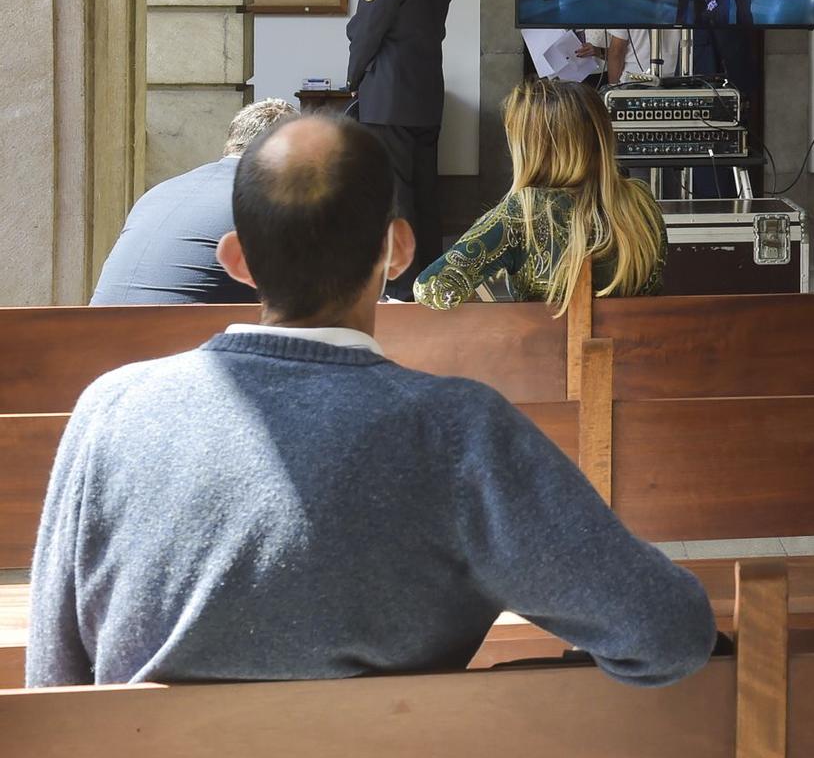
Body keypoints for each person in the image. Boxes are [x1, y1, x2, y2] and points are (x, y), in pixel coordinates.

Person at [29, 114, 714, 688]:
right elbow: (669, 630)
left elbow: (54, 683)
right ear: (397, 248)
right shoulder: (459, 433)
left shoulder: (109, 411)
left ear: (236, 259)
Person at [414, 79, 666, 313]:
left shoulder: (522, 212)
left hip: (548, 358)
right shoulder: (641, 202)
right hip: (636, 357)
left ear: (533, 149)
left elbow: (431, 288)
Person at [347, 0, 454, 300]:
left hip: (387, 99)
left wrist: (354, 79)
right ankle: (430, 277)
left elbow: (365, 32)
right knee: (426, 192)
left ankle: (401, 286)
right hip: (427, 93)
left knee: (395, 194)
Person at [90, 99, 296, 305]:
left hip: (90, 332)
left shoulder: (159, 192)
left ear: (233, 141)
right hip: (182, 334)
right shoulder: (264, 200)